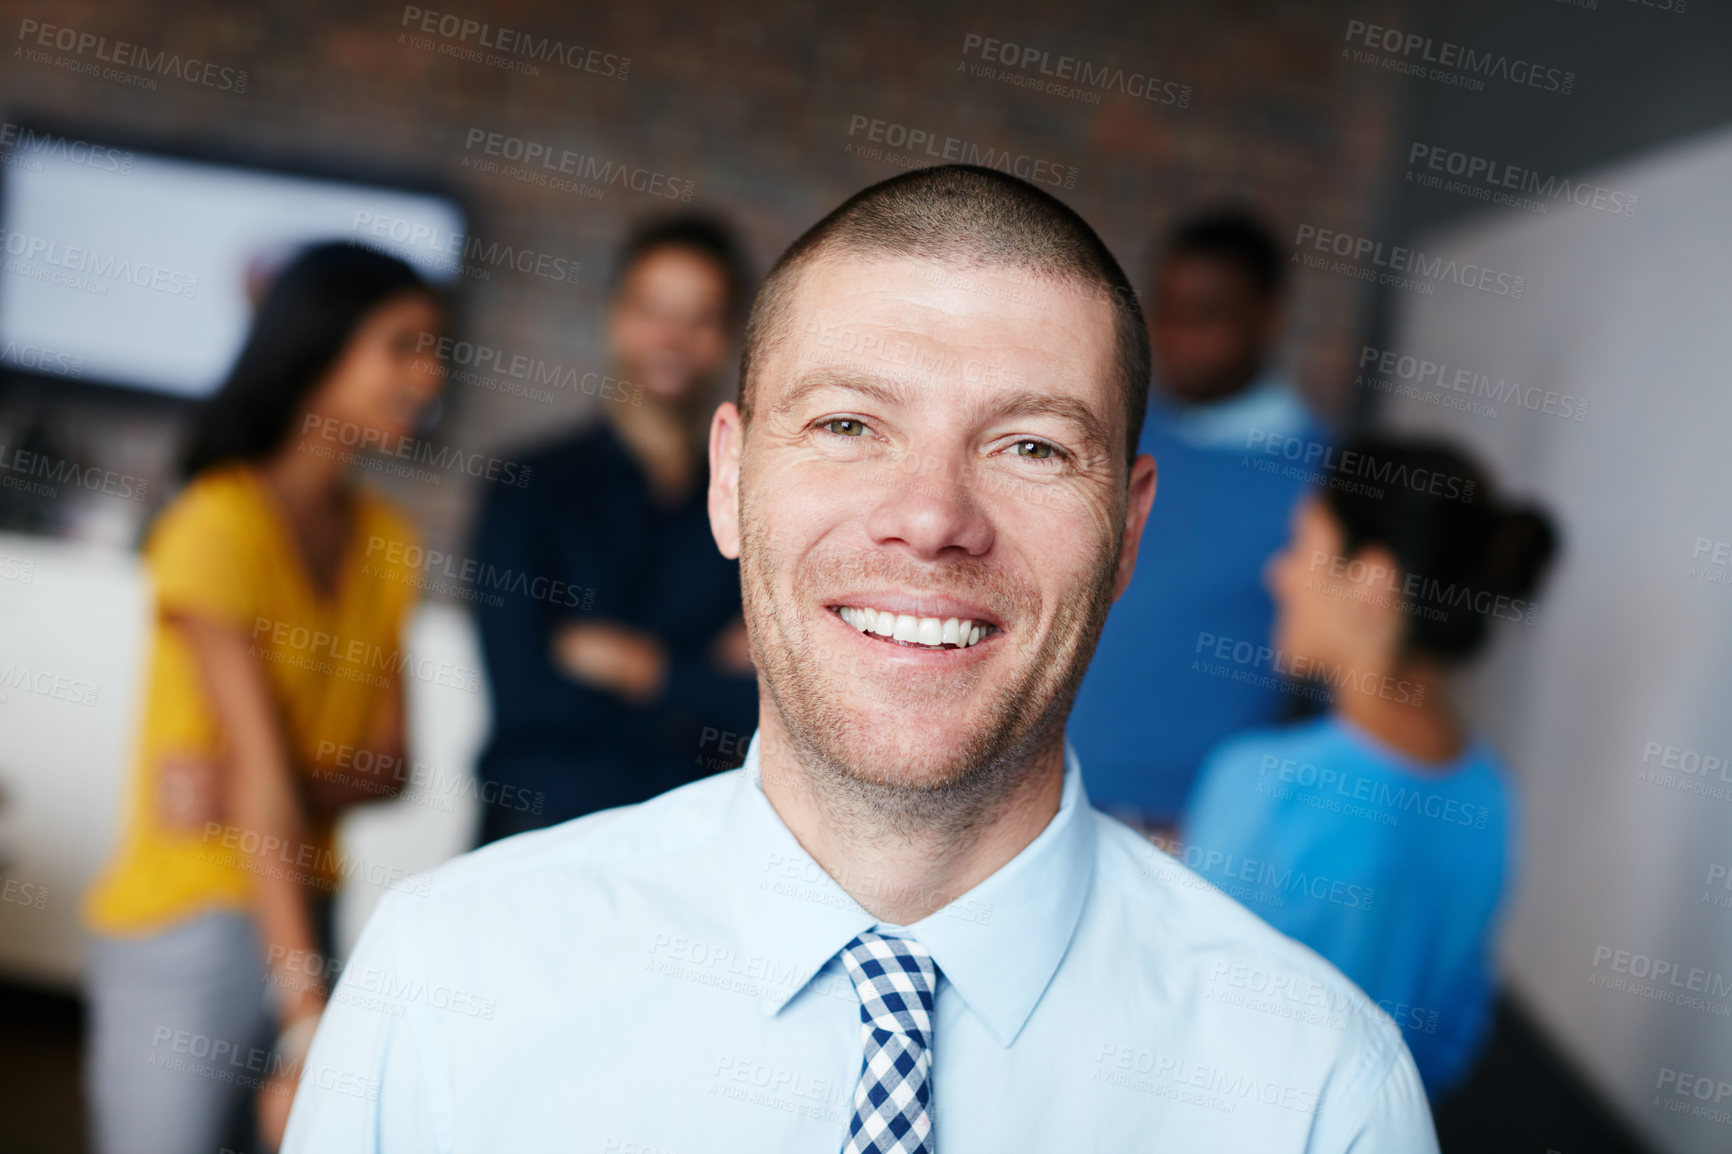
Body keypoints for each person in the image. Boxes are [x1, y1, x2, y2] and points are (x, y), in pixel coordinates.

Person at [283, 166, 1437, 1152]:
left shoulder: (1318, 1095)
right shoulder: (443, 975)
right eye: (848, 424)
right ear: (731, 480)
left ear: (1128, 527)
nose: (930, 516)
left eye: (1031, 444)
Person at [81, 243, 445, 1153]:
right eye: (402, 345)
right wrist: (305, 1013)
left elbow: (393, 766)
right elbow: (275, 777)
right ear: (320, 350)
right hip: (189, 923)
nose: (428, 374)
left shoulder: (388, 543)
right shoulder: (213, 524)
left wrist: (262, 786)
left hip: (307, 909)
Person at [1183, 435, 1557, 1099]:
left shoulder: (1263, 782)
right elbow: (1451, 1035)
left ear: (1372, 582)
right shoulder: (1491, 799)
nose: (1279, 573)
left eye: (1304, 548)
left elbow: (1183, 1015)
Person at [469, 215, 758, 844]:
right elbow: (530, 702)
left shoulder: (755, 504)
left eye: (700, 316)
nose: (673, 337)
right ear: (614, 316)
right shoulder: (527, 488)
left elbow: (767, 707)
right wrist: (700, 681)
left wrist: (642, 670)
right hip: (538, 832)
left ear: (728, 337)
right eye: (653, 308)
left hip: (695, 842)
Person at [1068, 209, 1326, 832]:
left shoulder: (1323, 477)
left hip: (1196, 827)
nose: (1180, 337)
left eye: (1207, 315)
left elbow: (1326, 688)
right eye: (1168, 312)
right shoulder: (1114, 431)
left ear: (1268, 317)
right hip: (1052, 795)